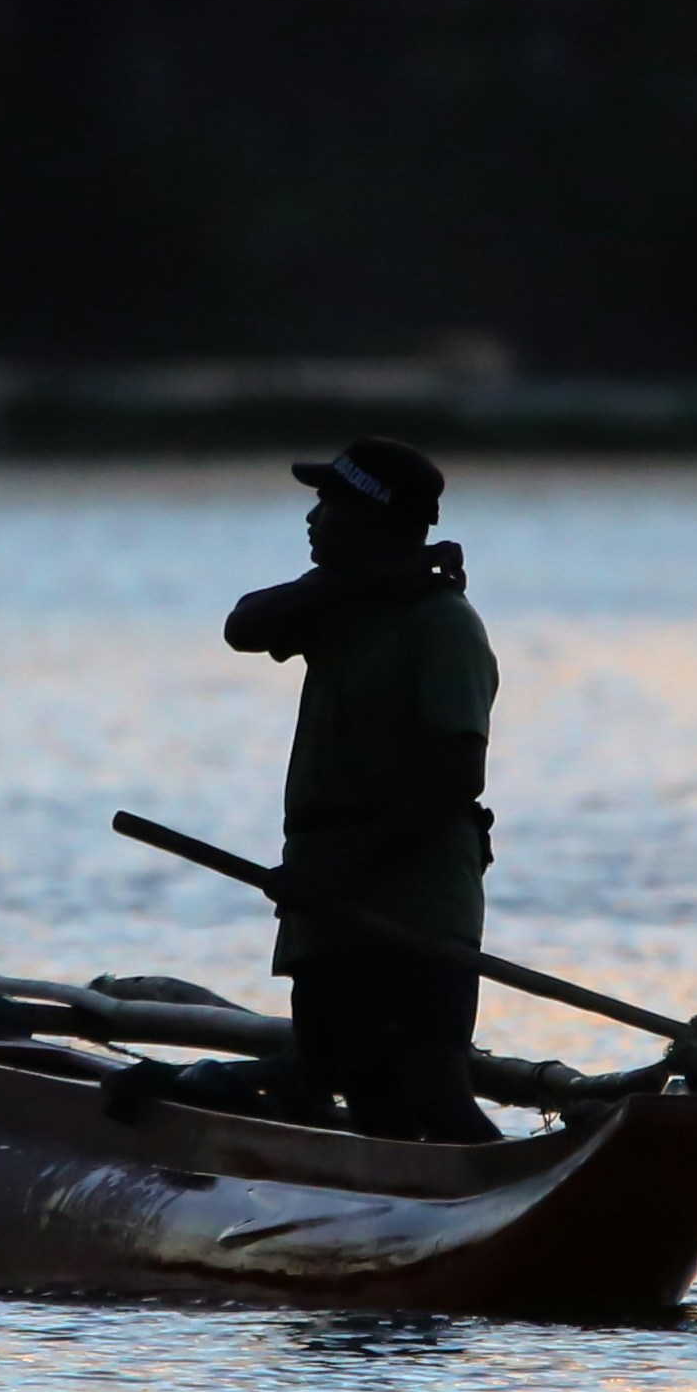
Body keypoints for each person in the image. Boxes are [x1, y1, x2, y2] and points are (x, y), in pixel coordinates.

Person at [214, 436, 498, 1141]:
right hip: (321, 886)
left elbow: (458, 772)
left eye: (330, 504)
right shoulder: (347, 607)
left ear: (372, 516)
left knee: (431, 1083)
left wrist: (341, 871)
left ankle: (514, 1189)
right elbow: (243, 625)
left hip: (414, 893)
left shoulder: (441, 622)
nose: (312, 518)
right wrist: (372, 576)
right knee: (352, 1078)